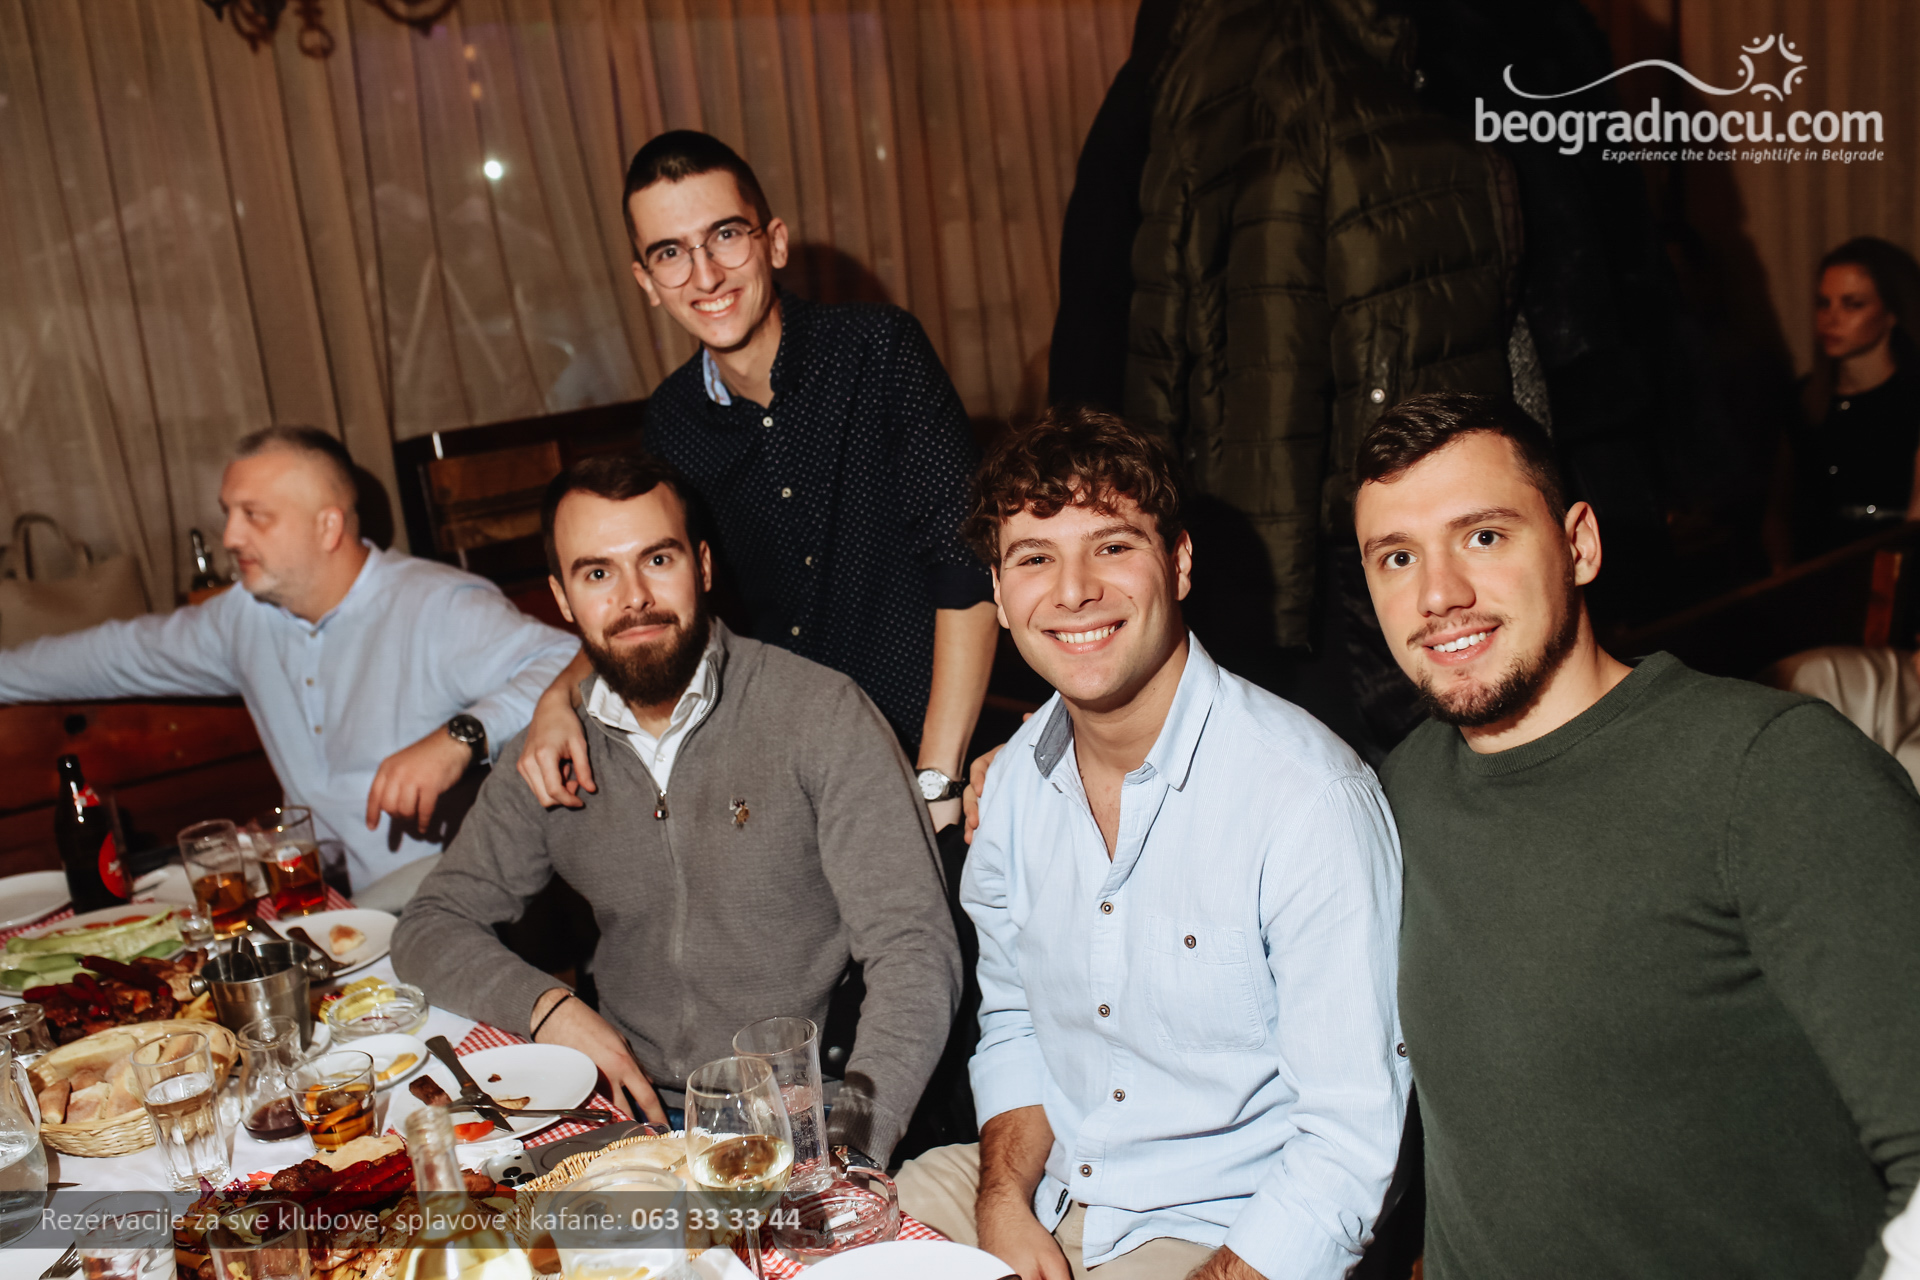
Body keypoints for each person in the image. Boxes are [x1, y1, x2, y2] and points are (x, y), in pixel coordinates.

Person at [1353, 392, 1920, 1279]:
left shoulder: (1774, 772)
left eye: (1484, 536)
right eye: (1397, 557)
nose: (1438, 595)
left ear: (1579, 544)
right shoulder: (1396, 792)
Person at [898, 408, 1410, 1280]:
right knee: (827, 1233)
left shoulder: (1306, 800)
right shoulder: (1012, 786)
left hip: (1225, 1229)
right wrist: (1002, 1204)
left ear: (1177, 562)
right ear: (999, 594)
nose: (1073, 592)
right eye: (1035, 558)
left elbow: (1352, 1144)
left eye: (1111, 546)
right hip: (1052, 1189)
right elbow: (1015, 1022)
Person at [392, 452, 960, 1159]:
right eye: (597, 574)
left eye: (657, 560)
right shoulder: (552, 752)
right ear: (562, 599)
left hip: (805, 1118)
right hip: (631, 1119)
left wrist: (854, 1145)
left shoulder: (820, 713)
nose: (634, 597)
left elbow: (915, 950)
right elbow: (429, 925)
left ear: (704, 567)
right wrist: (550, 1011)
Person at [516, 130, 998, 829]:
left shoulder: (878, 350)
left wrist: (935, 781)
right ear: (645, 282)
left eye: (725, 236)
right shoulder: (671, 422)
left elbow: (966, 567)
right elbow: (660, 599)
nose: (705, 275)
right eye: (671, 253)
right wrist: (557, 699)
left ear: (773, 242)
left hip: (933, 753)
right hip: (789, 775)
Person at [0, 426, 577, 909]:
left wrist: (461, 736)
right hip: (337, 908)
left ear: (327, 526)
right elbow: (114, 654)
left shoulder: (437, 605)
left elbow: (566, 662)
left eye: (255, 516)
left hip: (462, 904)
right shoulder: (243, 617)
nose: (230, 536)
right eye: (229, 513)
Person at [1769, 236, 1920, 567]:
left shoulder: (1912, 397)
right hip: (1814, 571)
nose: (1831, 318)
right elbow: (1778, 511)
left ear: (1891, 312)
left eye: (1853, 304)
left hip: (1894, 569)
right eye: (1824, 303)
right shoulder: (1805, 398)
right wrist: (1785, 579)